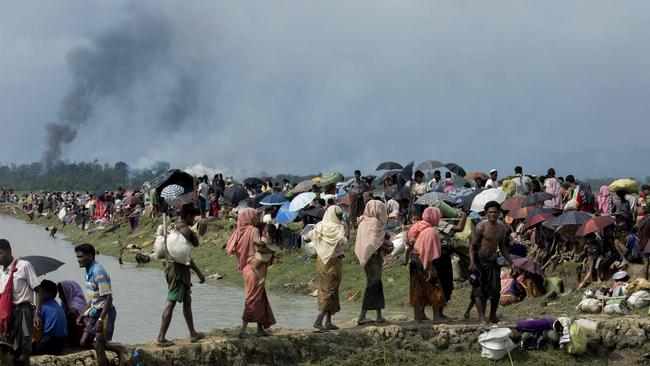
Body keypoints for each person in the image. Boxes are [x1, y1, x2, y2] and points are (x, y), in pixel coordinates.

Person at [157, 204, 205, 347]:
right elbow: (189, 255)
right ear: (189, 217)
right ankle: (161, 338)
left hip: (174, 269)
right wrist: (200, 273)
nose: (195, 219)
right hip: (179, 272)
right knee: (171, 302)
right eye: (194, 216)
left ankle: (193, 333)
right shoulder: (186, 231)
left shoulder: (175, 228)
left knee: (187, 301)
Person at [226, 208, 276, 339]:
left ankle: (260, 329)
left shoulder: (238, 232)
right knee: (252, 299)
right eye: (255, 216)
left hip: (246, 269)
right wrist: (265, 238)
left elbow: (232, 249)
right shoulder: (253, 230)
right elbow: (259, 246)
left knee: (259, 297)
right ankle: (243, 330)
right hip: (255, 268)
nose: (256, 218)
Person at [74, 243, 126, 366]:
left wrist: (101, 319)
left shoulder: (98, 272)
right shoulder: (88, 270)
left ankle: (113, 351)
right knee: (83, 342)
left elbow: (109, 297)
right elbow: (93, 297)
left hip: (104, 311)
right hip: (94, 309)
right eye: (77, 257)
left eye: (81, 257)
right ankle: (117, 349)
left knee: (99, 346)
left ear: (91, 256)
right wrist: (82, 314)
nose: (78, 260)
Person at [303, 206, 348, 331]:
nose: (339, 218)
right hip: (334, 262)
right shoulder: (338, 228)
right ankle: (319, 320)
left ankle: (328, 322)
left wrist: (320, 242)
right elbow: (345, 243)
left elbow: (306, 238)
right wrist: (346, 228)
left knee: (325, 289)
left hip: (321, 261)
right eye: (339, 216)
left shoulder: (319, 226)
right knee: (331, 290)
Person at [468, 201, 512, 324]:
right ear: (486, 214)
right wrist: (472, 262)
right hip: (480, 261)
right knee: (479, 289)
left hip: (492, 261)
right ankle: (482, 317)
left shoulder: (501, 228)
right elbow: (472, 246)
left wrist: (511, 261)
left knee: (495, 290)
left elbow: (502, 247)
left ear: (498, 213)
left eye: (494, 212)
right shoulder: (481, 227)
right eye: (490, 212)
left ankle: (492, 316)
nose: (492, 214)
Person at [0, 239, 40, 366]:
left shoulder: (24, 266)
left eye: (0, 253)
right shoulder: (1, 271)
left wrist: (36, 313)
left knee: (24, 349)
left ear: (8, 250)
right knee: (6, 348)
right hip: (7, 313)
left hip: (23, 310)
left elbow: (38, 291)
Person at [354, 200, 393, 325]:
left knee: (377, 285)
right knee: (372, 285)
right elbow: (376, 243)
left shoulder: (363, 221)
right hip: (373, 258)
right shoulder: (374, 223)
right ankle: (362, 316)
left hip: (367, 258)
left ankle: (379, 315)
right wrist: (387, 249)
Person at [405, 207, 446, 322]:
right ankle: (437, 317)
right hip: (424, 261)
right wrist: (431, 268)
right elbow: (429, 252)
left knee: (416, 288)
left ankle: (418, 316)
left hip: (413, 259)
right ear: (434, 217)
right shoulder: (431, 231)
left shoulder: (417, 227)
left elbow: (409, 241)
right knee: (434, 287)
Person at [33, 280, 67, 355]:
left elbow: (35, 328)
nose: (39, 294)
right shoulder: (57, 305)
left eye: (41, 292)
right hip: (61, 343)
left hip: (49, 341)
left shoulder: (42, 307)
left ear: (50, 293)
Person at [57, 280, 87, 346]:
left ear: (68, 292)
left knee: (71, 315)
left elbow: (73, 312)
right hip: (71, 335)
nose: (59, 296)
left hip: (80, 335)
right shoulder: (65, 304)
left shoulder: (76, 303)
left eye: (61, 293)